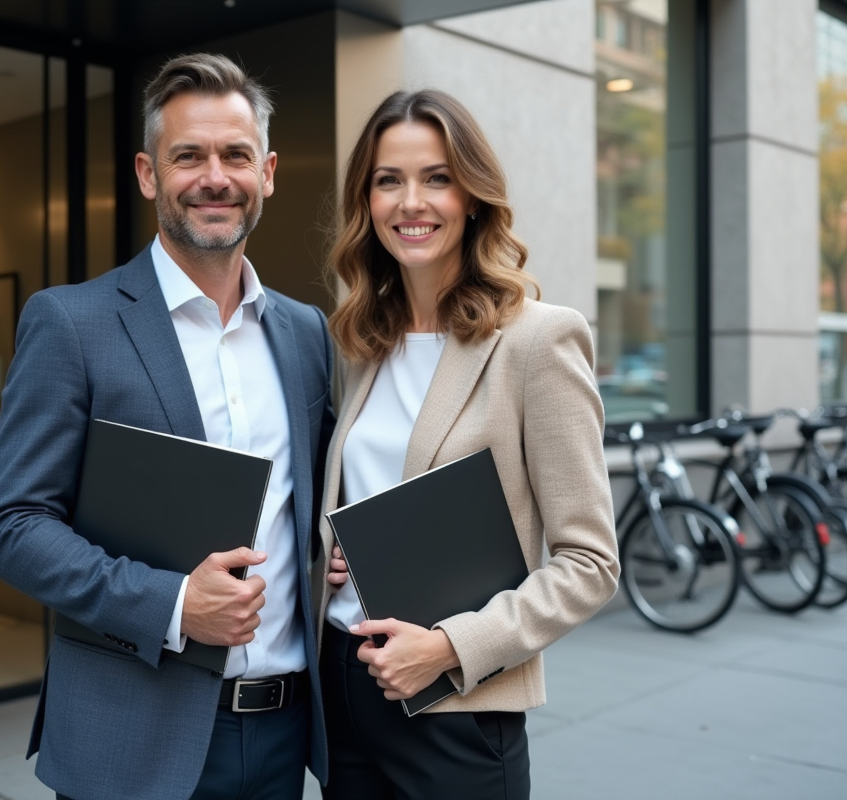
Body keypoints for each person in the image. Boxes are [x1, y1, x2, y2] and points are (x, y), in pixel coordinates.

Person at [0, 53, 333, 800]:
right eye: (188, 156)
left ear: (267, 172)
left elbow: (311, 507)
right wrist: (172, 605)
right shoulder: (71, 323)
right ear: (148, 174)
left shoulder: (307, 335)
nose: (215, 177)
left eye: (236, 155)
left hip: (284, 737)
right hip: (128, 743)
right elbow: (13, 526)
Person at [316, 89, 620, 799]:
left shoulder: (538, 341)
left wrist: (451, 649)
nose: (410, 201)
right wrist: (337, 553)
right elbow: (381, 495)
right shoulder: (363, 341)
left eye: (437, 177)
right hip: (345, 685)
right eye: (389, 180)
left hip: (457, 704)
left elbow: (590, 562)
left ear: (474, 197)